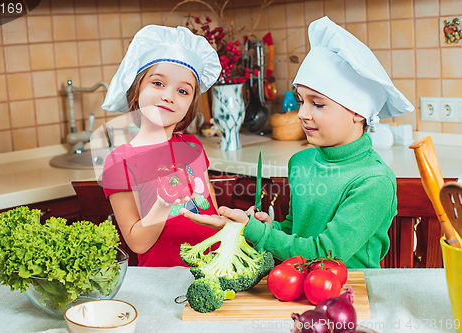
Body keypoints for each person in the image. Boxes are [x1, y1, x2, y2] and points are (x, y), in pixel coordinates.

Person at [181, 16, 414, 268]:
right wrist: (269, 227)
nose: (302, 113)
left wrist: (255, 232)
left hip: (351, 294)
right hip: (298, 284)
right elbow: (297, 231)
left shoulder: (373, 181)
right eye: (301, 100)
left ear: (358, 112)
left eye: (318, 103)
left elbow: (325, 252)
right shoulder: (301, 161)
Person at [100, 25, 222, 267]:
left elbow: (213, 216)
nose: (169, 96)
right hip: (162, 284)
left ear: (190, 105)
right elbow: (137, 243)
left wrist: (239, 222)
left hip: (214, 272)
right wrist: (164, 204)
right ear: (136, 91)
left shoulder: (194, 146)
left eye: (183, 91)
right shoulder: (119, 161)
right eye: (158, 83)